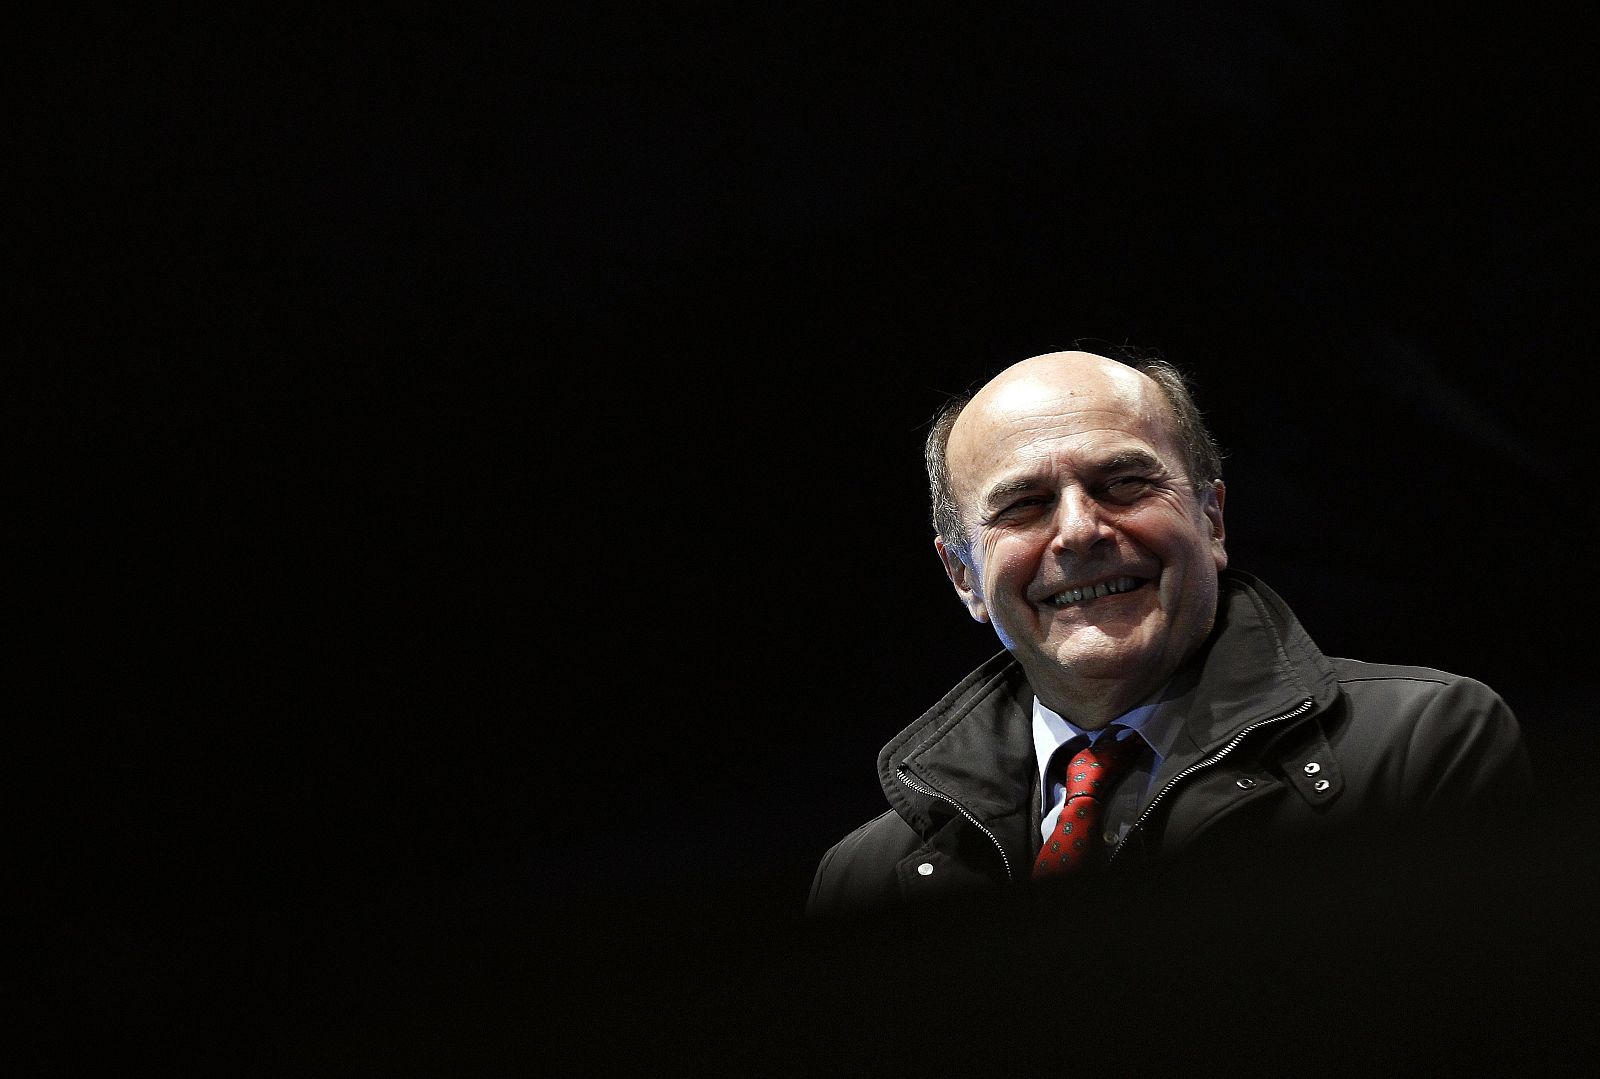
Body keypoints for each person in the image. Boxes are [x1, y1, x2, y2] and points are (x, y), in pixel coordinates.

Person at [807, 347, 1533, 917]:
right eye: (1023, 504)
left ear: (1212, 519)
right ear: (963, 575)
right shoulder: (863, 877)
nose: (1081, 530)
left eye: (1124, 482)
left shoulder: (1420, 744)